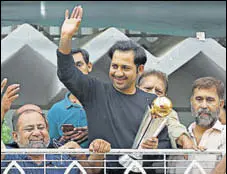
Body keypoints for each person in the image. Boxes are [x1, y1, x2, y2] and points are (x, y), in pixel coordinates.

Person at [57, 6, 172, 173]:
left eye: (125, 68)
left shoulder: (152, 102)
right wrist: (66, 37)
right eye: (114, 66)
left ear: (139, 70)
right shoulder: (94, 91)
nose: (118, 73)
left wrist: (153, 148)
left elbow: (164, 148)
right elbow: (66, 72)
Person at [1, 79, 111, 174]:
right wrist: (1, 111)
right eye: (29, 129)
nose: (36, 133)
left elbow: (91, 171)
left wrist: (91, 152)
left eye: (41, 127)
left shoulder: (63, 153)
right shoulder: (8, 156)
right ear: (15, 136)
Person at [174, 77, 226, 174]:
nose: (204, 105)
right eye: (199, 99)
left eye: (210, 100)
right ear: (191, 102)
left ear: (220, 104)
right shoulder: (179, 137)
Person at [47, 48, 92, 148]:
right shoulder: (56, 110)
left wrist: (93, 131)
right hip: (68, 163)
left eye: (79, 65)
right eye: (70, 67)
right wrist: (61, 141)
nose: (75, 70)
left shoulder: (106, 100)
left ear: (89, 66)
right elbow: (50, 148)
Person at [137, 70, 194, 149]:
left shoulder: (166, 112)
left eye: (158, 91)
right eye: (147, 88)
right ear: (137, 89)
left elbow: (174, 126)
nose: (153, 94)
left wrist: (183, 137)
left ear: (165, 96)